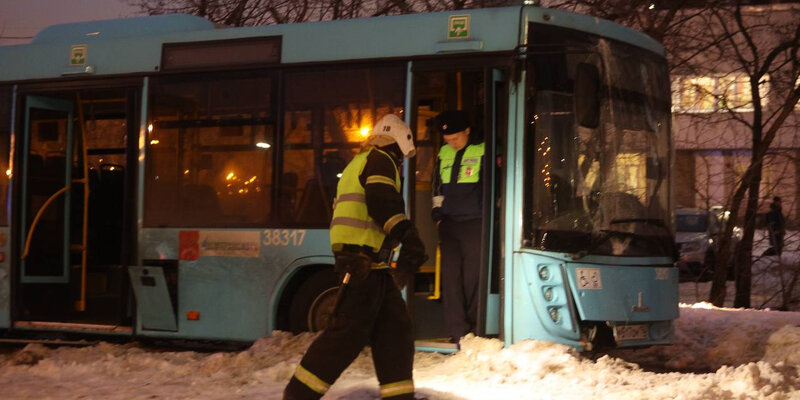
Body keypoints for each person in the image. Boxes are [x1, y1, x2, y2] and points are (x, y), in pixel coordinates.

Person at [283, 114, 427, 400]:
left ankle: (399, 396)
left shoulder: (359, 161)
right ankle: (298, 395)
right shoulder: (381, 160)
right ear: (396, 142)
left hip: (371, 265)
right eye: (401, 154)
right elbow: (381, 203)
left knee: (394, 334)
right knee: (345, 337)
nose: (401, 161)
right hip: (363, 264)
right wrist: (409, 237)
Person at [430, 110, 484, 344]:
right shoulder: (443, 153)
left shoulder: (483, 149)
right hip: (449, 224)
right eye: (447, 140)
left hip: (475, 223)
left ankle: (475, 329)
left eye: (455, 138)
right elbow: (436, 187)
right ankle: (458, 332)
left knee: (473, 279)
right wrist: (437, 215)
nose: (451, 143)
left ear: (467, 131)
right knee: (451, 280)